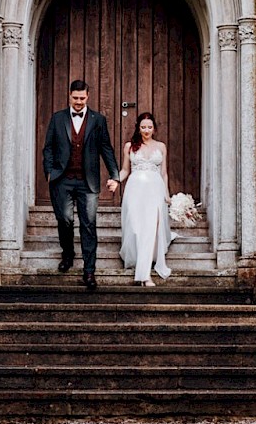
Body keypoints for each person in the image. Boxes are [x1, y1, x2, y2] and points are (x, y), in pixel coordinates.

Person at [42, 78, 119, 291]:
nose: (78, 102)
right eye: (75, 98)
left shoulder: (98, 120)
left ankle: (89, 271)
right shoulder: (57, 119)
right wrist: (49, 172)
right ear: (69, 96)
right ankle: (68, 253)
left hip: (88, 182)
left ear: (88, 97)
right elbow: (48, 148)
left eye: (82, 98)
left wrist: (114, 175)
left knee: (88, 225)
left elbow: (107, 148)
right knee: (65, 220)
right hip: (62, 180)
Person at [117, 111, 172, 286]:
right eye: (143, 127)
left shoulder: (161, 146)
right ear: (138, 128)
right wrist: (115, 180)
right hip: (135, 189)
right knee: (136, 227)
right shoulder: (129, 146)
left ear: (154, 128)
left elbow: (164, 173)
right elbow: (126, 170)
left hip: (155, 189)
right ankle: (140, 259)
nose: (146, 130)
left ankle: (144, 275)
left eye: (149, 127)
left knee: (150, 228)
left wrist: (167, 194)